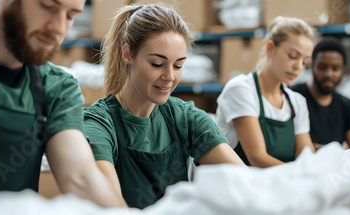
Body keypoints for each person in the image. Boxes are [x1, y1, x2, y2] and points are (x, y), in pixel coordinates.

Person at [0, 0, 126, 210]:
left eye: (70, 15)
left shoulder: (57, 87)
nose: (59, 28)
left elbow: (81, 178)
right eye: (48, 6)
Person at [83, 4, 245, 209]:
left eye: (178, 66)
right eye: (157, 64)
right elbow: (111, 207)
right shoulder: (98, 124)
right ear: (127, 54)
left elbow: (245, 183)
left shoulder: (186, 118)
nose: (170, 77)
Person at [216, 16, 316, 167]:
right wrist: (297, 177)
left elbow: (307, 158)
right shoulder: (241, 90)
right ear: (271, 48)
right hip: (239, 185)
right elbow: (257, 158)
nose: (298, 66)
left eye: (305, 62)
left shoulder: (297, 102)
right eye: (293, 56)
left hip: (280, 184)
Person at [292, 38, 350, 150]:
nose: (329, 74)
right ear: (312, 66)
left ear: (343, 69)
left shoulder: (346, 106)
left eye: (335, 68)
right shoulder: (294, 96)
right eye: (322, 67)